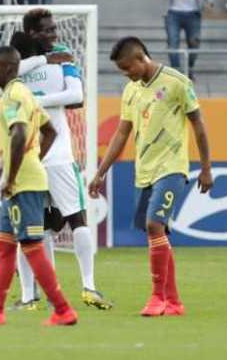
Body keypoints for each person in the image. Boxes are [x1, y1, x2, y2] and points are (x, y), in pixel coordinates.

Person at [89, 36, 213, 317]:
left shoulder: (177, 82)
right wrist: (100, 172)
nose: (126, 74)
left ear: (141, 58)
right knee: (158, 234)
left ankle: (157, 298)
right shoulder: (131, 90)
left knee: (154, 224)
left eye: (126, 68)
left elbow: (199, 125)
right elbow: (122, 133)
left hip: (171, 168)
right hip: (143, 171)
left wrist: (206, 168)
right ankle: (175, 302)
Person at [0, 46, 78, 326]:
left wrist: (11, 177)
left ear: (8, 69)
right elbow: (50, 130)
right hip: (26, 174)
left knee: (32, 245)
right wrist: (35, 158)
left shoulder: (13, 95)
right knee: (4, 245)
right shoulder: (26, 94)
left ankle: (63, 310)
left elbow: (19, 132)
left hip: (23, 182)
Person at [7, 9, 114, 312]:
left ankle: (88, 287)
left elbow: (77, 95)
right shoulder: (20, 61)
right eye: (46, 30)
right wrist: (42, 62)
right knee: (33, 229)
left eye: (54, 29)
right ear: (30, 33)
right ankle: (31, 295)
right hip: (31, 156)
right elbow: (7, 73)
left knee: (74, 220)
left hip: (55, 154)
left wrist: (35, 100)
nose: (54, 35)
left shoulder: (63, 54)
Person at [155, 0, 214, 80]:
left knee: (194, 43)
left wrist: (209, 1)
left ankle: (190, 69)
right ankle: (176, 74)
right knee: (172, 44)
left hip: (193, 12)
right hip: (172, 12)